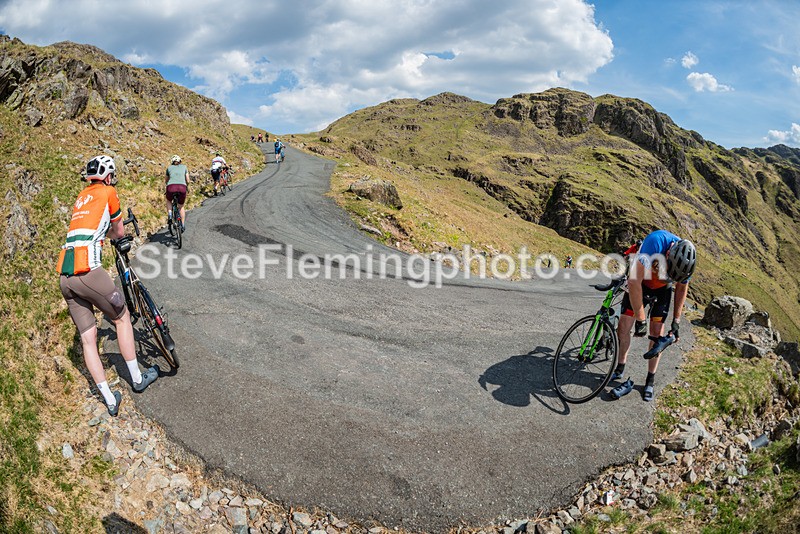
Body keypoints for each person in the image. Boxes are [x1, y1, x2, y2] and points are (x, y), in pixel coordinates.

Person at [57, 155, 158, 416]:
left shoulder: (81, 196)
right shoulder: (109, 191)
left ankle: (109, 400)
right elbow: (118, 231)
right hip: (88, 271)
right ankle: (137, 378)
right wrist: (112, 235)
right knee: (122, 318)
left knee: (88, 339)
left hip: (65, 276)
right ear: (108, 176)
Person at [610, 230, 696, 402]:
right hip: (641, 283)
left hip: (662, 291)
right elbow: (634, 281)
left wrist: (676, 321)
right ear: (668, 254)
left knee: (657, 335)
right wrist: (641, 319)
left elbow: (681, 288)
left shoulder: (688, 264)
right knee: (624, 327)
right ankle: (620, 366)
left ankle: (650, 379)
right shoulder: (655, 242)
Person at [165, 155, 188, 231]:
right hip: (182, 187)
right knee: (181, 206)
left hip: (171, 187)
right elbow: (188, 180)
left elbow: (166, 180)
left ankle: (170, 214)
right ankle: (183, 224)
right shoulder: (184, 167)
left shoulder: (169, 168)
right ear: (180, 161)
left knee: (168, 200)